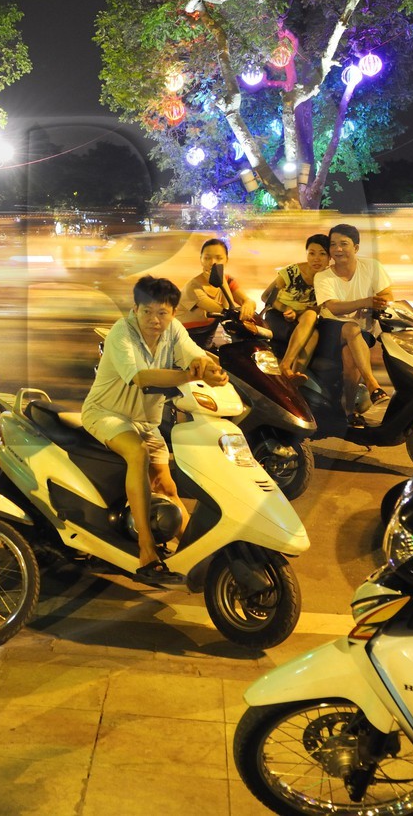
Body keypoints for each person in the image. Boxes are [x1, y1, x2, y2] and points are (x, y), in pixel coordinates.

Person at [82, 275, 228, 587]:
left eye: (162, 313)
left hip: (145, 421)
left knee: (167, 486)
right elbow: (140, 376)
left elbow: (191, 352)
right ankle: (146, 549)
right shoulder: (122, 332)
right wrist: (187, 377)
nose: (154, 320)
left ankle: (197, 554)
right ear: (134, 309)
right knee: (137, 453)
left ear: (174, 314)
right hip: (106, 414)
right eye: (147, 311)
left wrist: (208, 367)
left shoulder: (173, 330)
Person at [314, 223, 394, 414]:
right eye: (333, 245)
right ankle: (372, 384)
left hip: (362, 332)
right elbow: (333, 307)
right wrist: (365, 302)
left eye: (344, 244)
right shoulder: (323, 276)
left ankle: (348, 410)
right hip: (331, 329)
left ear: (356, 248)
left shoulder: (372, 267)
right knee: (350, 328)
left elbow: (387, 296)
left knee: (351, 361)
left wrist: (378, 304)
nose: (338, 249)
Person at [261, 233, 332, 380]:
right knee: (312, 327)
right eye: (312, 253)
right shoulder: (292, 272)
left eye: (322, 254)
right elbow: (266, 296)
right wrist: (286, 309)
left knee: (313, 326)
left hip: (303, 318)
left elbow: (323, 306)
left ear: (329, 257)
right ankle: (286, 366)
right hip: (278, 314)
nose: (316, 259)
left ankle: (293, 376)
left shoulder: (329, 278)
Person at [175, 237, 255, 325]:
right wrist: (222, 280)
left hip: (206, 335)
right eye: (207, 258)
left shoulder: (228, 280)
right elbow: (227, 312)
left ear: (226, 260)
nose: (213, 262)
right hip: (184, 335)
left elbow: (248, 301)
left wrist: (248, 304)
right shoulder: (193, 288)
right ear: (201, 260)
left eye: (219, 258)